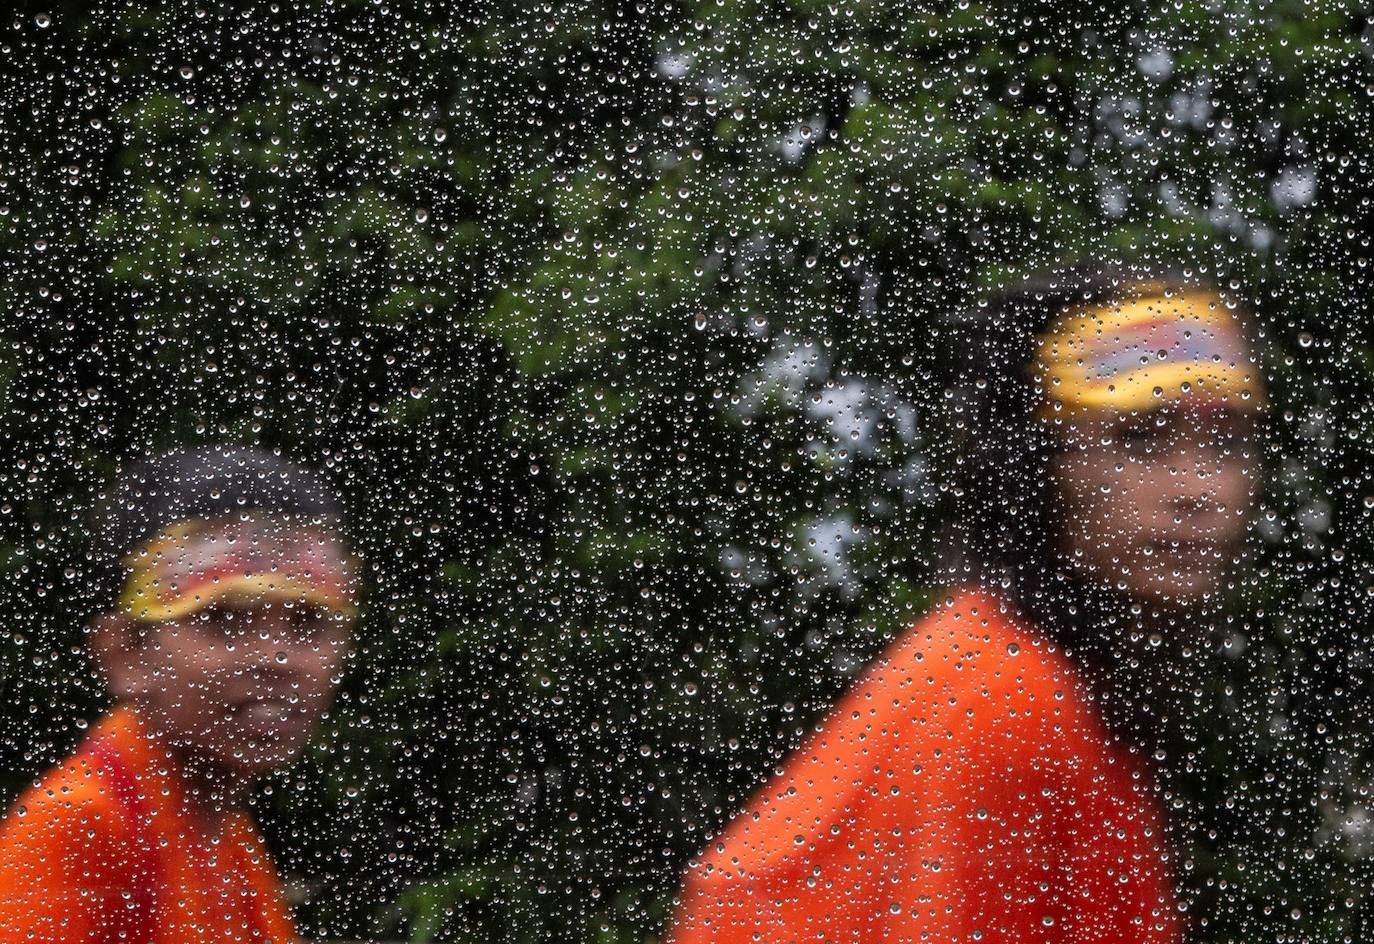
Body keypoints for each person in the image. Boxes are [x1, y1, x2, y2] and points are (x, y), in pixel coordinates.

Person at [668, 270, 1268, 944]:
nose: (1198, 488)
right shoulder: (1005, 697)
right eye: (1140, 438)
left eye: (1227, 442)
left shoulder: (1054, 675)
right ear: (1042, 466)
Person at [0, 447, 358, 943]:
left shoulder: (225, 837)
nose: (277, 660)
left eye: (307, 622)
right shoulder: (82, 826)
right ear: (123, 655)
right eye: (223, 619)